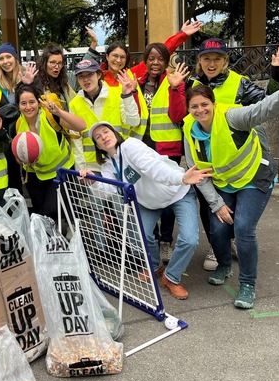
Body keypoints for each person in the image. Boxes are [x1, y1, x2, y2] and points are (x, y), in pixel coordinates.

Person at [183, 67, 279, 309]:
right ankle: (224, 265)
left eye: (204, 104)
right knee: (218, 228)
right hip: (224, 183)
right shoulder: (188, 128)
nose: (200, 110)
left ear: (213, 102)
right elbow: (198, 173)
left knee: (243, 228)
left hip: (254, 177)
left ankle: (248, 284)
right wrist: (217, 204)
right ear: (189, 109)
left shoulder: (232, 116)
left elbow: (264, 108)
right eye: (194, 106)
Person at [189, 38, 279, 271]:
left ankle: (233, 241)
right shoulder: (190, 84)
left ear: (225, 61)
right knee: (209, 204)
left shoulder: (239, 83)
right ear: (200, 61)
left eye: (217, 59)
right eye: (206, 59)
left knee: (238, 206)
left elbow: (267, 104)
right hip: (207, 155)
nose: (211, 64)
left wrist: (278, 75)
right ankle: (218, 245)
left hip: (237, 154)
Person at [80, 121, 212, 300]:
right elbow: (107, 192)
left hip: (178, 191)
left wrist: (181, 178)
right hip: (150, 203)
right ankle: (156, 267)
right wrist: (94, 181)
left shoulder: (130, 146)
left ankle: (171, 277)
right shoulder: (108, 166)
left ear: (115, 133)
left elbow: (154, 169)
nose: (103, 136)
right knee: (142, 235)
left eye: (106, 131)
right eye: (98, 137)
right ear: (97, 145)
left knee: (189, 240)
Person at [130, 43, 192, 264]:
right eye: (151, 58)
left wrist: (175, 89)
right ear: (145, 61)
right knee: (146, 193)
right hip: (142, 147)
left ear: (166, 61)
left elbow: (178, 116)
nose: (155, 63)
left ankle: (165, 240)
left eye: (160, 59)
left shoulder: (174, 80)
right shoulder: (137, 82)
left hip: (167, 148)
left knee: (168, 195)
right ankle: (152, 237)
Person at [14, 83, 86, 219]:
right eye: (23, 103)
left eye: (32, 102)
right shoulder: (18, 124)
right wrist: (24, 160)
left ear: (38, 102)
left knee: (50, 211)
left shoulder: (50, 116)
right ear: (18, 105)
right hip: (35, 176)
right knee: (42, 214)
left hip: (60, 171)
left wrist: (59, 112)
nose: (28, 107)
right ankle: (50, 240)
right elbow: (18, 156)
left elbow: (82, 125)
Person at [68, 58, 140, 174]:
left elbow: (133, 122)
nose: (86, 79)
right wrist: (81, 169)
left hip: (120, 160)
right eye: (81, 76)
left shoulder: (117, 94)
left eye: (90, 74)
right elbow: (76, 140)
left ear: (98, 75)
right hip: (92, 167)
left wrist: (127, 96)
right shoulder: (74, 104)